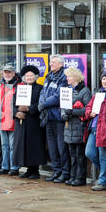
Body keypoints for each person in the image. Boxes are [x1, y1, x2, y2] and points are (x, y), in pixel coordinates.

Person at [38, 54, 70, 182]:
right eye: (50, 62)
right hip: (48, 118)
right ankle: (56, 171)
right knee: (52, 147)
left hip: (58, 118)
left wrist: (43, 103)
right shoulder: (49, 76)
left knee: (61, 147)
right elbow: (42, 92)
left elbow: (58, 97)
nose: (51, 64)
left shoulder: (64, 77)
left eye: (54, 62)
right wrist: (42, 101)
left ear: (61, 64)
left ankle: (65, 172)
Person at [84, 71, 106, 191]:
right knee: (89, 153)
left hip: (105, 130)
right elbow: (88, 106)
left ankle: (103, 182)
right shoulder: (98, 93)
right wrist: (89, 113)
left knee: (104, 157)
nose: (105, 81)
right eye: (103, 79)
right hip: (93, 128)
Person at [13, 65, 46, 179]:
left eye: (31, 76)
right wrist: (16, 113)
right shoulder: (19, 88)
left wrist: (29, 109)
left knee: (34, 146)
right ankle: (27, 169)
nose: (29, 78)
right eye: (27, 76)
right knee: (23, 146)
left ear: (36, 77)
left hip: (34, 122)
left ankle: (35, 170)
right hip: (21, 122)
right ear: (24, 77)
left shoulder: (40, 88)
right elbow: (13, 104)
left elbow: (41, 104)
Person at [60, 67, 92, 186]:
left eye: (69, 76)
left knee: (80, 155)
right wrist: (64, 114)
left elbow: (87, 110)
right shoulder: (68, 90)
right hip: (69, 127)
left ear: (75, 77)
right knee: (72, 155)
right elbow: (63, 106)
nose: (67, 78)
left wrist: (72, 112)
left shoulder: (84, 91)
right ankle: (73, 176)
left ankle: (80, 177)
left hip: (79, 127)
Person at [0, 64, 21, 176]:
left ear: (13, 73)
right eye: (5, 72)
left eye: (9, 72)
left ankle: (14, 167)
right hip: (1, 119)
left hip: (12, 119)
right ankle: (5, 166)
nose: (7, 74)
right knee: (4, 145)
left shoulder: (18, 85)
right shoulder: (0, 86)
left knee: (13, 146)